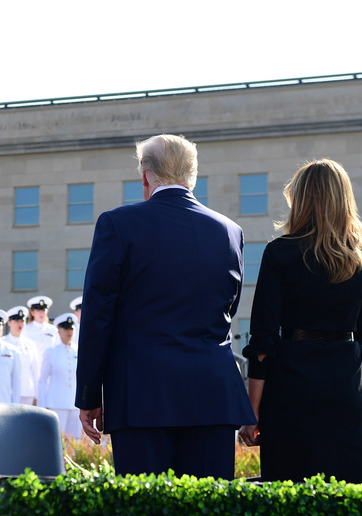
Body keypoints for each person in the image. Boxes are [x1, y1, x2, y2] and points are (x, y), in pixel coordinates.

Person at [74, 134, 255, 479]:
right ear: (192, 176)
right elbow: (228, 310)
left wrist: (89, 393)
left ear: (145, 176)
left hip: (141, 395)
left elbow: (98, 317)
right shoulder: (230, 231)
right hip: (212, 395)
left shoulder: (118, 224)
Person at [239, 159, 362, 484]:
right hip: (346, 387)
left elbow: (262, 342)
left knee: (290, 496)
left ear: (302, 201)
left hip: (290, 388)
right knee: (349, 496)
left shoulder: (280, 253)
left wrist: (251, 413)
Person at [38, 313, 83, 439]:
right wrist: (43, 405)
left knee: (75, 441)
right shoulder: (51, 352)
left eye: (71, 328)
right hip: (56, 403)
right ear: (59, 331)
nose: (69, 332)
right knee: (57, 439)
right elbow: (42, 380)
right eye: (66, 328)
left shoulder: (79, 351)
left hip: (75, 404)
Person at [2, 305, 40, 406]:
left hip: (27, 392)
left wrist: (37, 395)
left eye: (22, 321)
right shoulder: (2, 343)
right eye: (16, 321)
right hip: (8, 391)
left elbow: (35, 371)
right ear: (9, 323)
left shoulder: (30, 344)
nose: (20, 324)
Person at [22, 296, 57, 362]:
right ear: (32, 313)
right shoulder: (26, 329)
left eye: (43, 310)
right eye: (38, 310)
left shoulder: (53, 329)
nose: (41, 313)